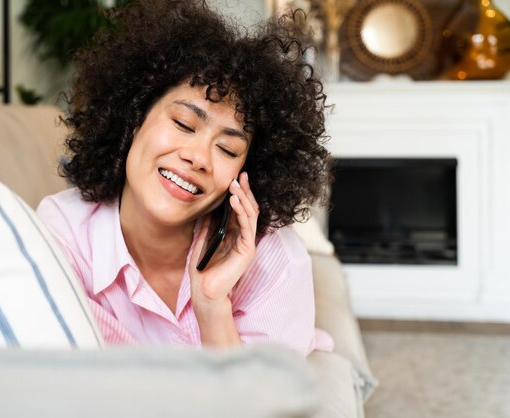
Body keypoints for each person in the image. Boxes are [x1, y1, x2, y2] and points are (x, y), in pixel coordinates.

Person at [36, 0, 333, 356]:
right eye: (183, 124)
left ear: (245, 173)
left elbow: (262, 407)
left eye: (227, 149)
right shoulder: (62, 235)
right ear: (134, 117)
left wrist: (211, 306)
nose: (198, 157)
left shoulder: (275, 258)